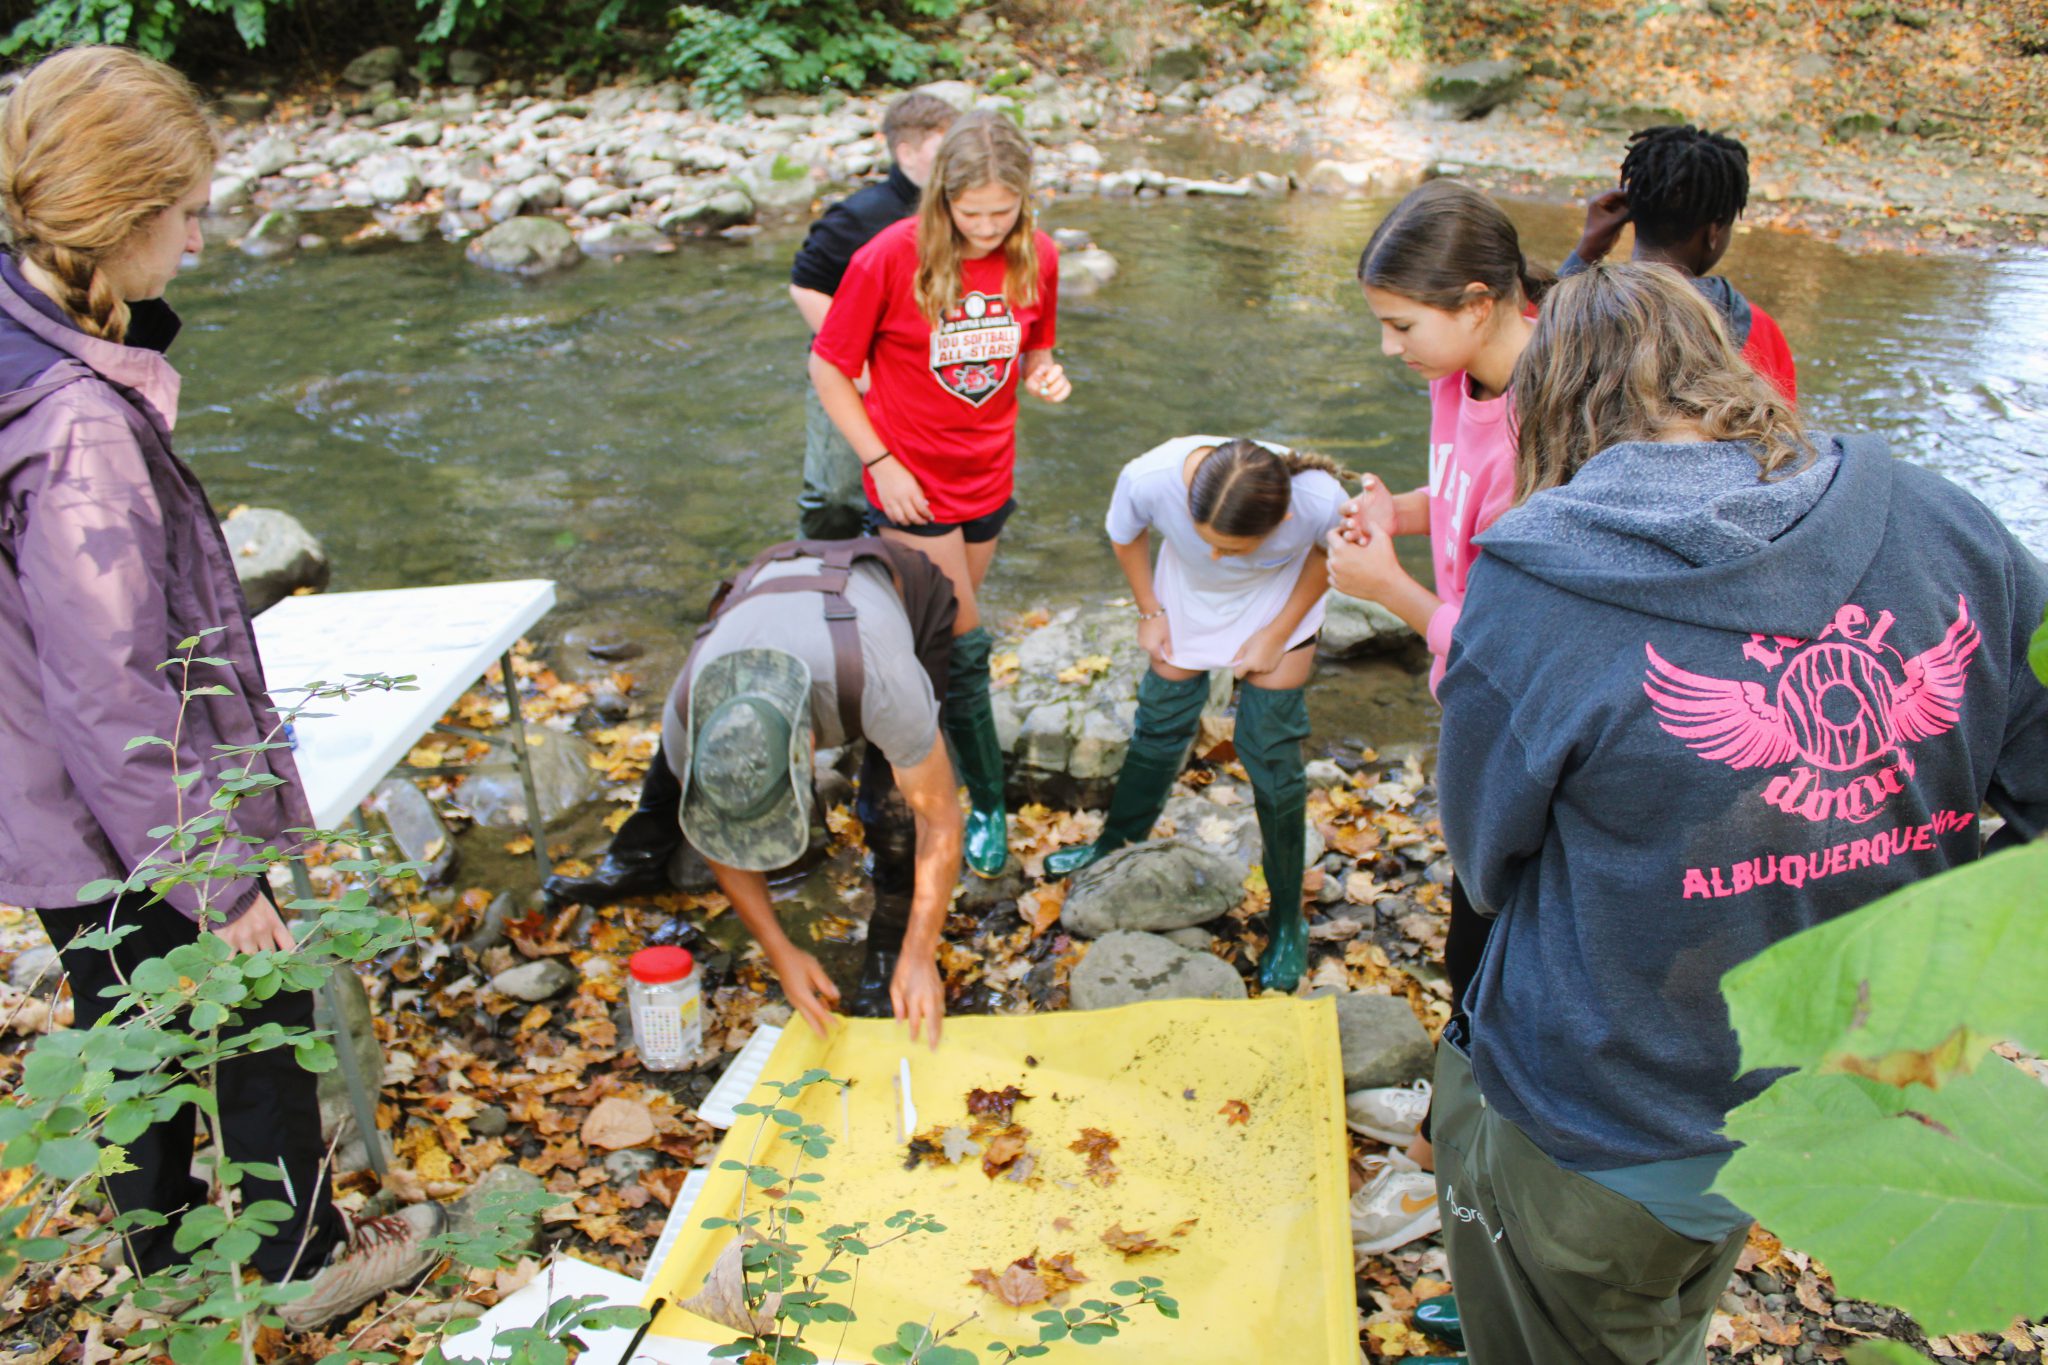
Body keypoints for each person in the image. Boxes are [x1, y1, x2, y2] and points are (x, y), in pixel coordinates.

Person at [1432, 262, 2048, 1363]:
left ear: (1547, 403)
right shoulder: (1944, 524)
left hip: (1609, 1100)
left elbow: (1485, 860)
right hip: (1836, 1095)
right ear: (1725, 367)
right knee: (1669, 1287)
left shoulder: (1532, 587)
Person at [0, 46, 437, 1328]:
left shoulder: (23, 328)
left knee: (121, 1018)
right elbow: (114, 681)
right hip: (120, 806)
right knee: (257, 998)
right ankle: (300, 1269)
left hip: (43, 795)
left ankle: (162, 1275)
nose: (196, 244)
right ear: (121, 215)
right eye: (186, 215)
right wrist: (220, 874)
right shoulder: (75, 427)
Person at [1323, 181, 1547, 1191]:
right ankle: (1452, 1105)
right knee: (1474, 921)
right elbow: (1458, 503)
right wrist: (1399, 512)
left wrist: (1390, 593)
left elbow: (1524, 643)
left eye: (1399, 325)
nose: (1388, 348)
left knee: (1491, 935)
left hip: (1523, 713)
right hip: (1471, 701)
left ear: (1475, 301)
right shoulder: (1459, 376)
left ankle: (1446, 1159)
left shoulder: (1554, 430)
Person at [548, 537, 964, 1043]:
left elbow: (939, 821)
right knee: (672, 777)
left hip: (893, 597)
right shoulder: (688, 711)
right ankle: (637, 863)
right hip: (774, 584)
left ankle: (891, 944)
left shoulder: (882, 681)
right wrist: (781, 953)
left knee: (890, 809)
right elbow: (714, 832)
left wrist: (921, 953)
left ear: (810, 748)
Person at [809, 109, 1069, 878]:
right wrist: (880, 458)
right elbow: (829, 367)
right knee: (965, 637)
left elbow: (1037, 348)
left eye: (1004, 211)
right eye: (971, 212)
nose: (987, 228)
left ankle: (893, 749)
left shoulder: (1038, 256)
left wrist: (1045, 373)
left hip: (988, 472)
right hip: (910, 480)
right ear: (941, 199)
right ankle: (983, 800)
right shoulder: (891, 257)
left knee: (937, 643)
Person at [1042, 437, 1346, 994]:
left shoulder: (1319, 500)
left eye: (1231, 548)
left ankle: (1286, 920)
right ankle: (1114, 846)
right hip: (1184, 602)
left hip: (1279, 608)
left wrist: (1276, 635)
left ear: (1280, 522)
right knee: (1159, 727)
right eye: (1205, 539)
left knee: (1271, 756)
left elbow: (1332, 556)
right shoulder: (1150, 476)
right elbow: (1124, 533)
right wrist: (1149, 610)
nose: (1215, 555)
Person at [788, 92, 958, 540]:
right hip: (849, 372)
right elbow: (805, 284)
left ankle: (895, 579)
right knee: (837, 493)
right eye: (945, 153)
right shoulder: (859, 216)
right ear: (905, 153)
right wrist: (857, 367)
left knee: (919, 491)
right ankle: (821, 577)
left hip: (921, 375)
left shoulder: (963, 211)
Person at [1561, 123, 1797, 401]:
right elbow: (1782, 431)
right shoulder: (1755, 328)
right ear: (1713, 232)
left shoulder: (1577, 307)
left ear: (1633, 214)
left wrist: (1585, 253)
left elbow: (1532, 347)